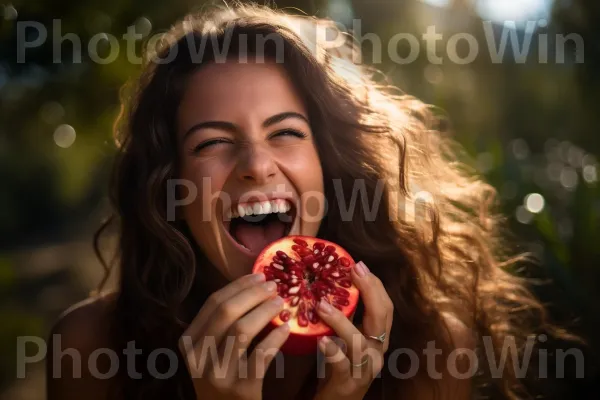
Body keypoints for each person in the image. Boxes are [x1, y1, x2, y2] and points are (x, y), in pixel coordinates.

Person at [46, 3, 561, 399]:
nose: (256, 163)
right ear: (171, 185)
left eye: (285, 132)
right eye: (211, 142)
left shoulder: (432, 348)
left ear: (328, 165)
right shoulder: (91, 352)